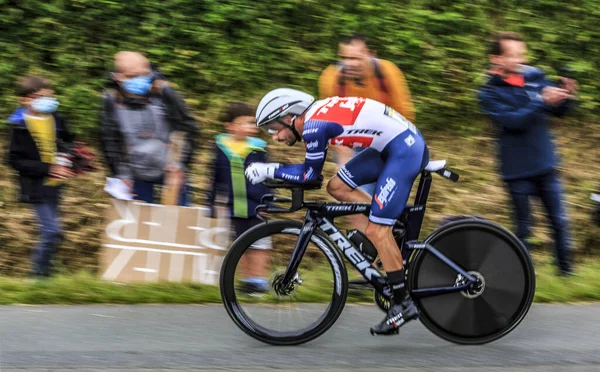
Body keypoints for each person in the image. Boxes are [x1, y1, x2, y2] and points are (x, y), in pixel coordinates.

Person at [245, 88, 429, 335]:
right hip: (390, 147)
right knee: (337, 187)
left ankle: (403, 302)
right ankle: (392, 231)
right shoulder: (315, 117)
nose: (275, 137)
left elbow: (310, 176)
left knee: (377, 229)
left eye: (273, 128)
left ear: (289, 116)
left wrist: (270, 170)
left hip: (404, 150)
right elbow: (317, 180)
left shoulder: (313, 125)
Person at [478, 32, 577, 276]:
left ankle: (566, 275)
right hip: (516, 171)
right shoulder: (487, 93)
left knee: (560, 223)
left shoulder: (535, 76)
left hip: (546, 164)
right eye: (512, 55)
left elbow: (559, 112)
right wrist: (541, 102)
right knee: (524, 228)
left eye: (521, 53)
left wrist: (566, 96)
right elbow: (513, 121)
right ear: (496, 59)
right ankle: (522, 280)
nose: (519, 59)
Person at [318, 33, 416, 233]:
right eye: (344, 58)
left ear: (370, 54)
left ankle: (389, 232)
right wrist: (343, 164)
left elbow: (405, 118)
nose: (349, 64)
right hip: (351, 143)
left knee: (383, 199)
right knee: (352, 198)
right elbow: (331, 125)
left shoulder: (387, 74)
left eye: (355, 58)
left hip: (389, 141)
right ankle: (367, 256)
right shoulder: (331, 79)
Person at [100, 51, 199, 205]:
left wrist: (181, 165)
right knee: (137, 226)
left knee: (178, 222)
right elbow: (109, 140)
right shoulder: (111, 101)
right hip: (135, 173)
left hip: (169, 169)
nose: (139, 79)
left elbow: (189, 128)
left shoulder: (163, 93)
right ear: (118, 77)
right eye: (132, 76)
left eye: (144, 74)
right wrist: (120, 174)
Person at [7, 75, 75, 277]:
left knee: (55, 233)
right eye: (42, 96)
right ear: (26, 100)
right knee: (51, 231)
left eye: (50, 96)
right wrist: (48, 168)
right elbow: (14, 160)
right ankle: (38, 278)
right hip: (35, 187)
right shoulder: (19, 126)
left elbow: (68, 142)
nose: (49, 101)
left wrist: (70, 159)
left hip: (56, 186)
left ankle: (47, 275)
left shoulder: (57, 119)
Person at [205, 102, 272, 293]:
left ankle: (259, 279)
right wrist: (210, 203)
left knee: (259, 242)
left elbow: (269, 176)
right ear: (231, 126)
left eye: (252, 123)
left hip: (258, 204)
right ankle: (247, 280)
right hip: (234, 205)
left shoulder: (259, 148)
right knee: (240, 243)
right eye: (244, 123)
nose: (250, 128)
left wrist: (269, 201)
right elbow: (214, 177)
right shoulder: (220, 147)